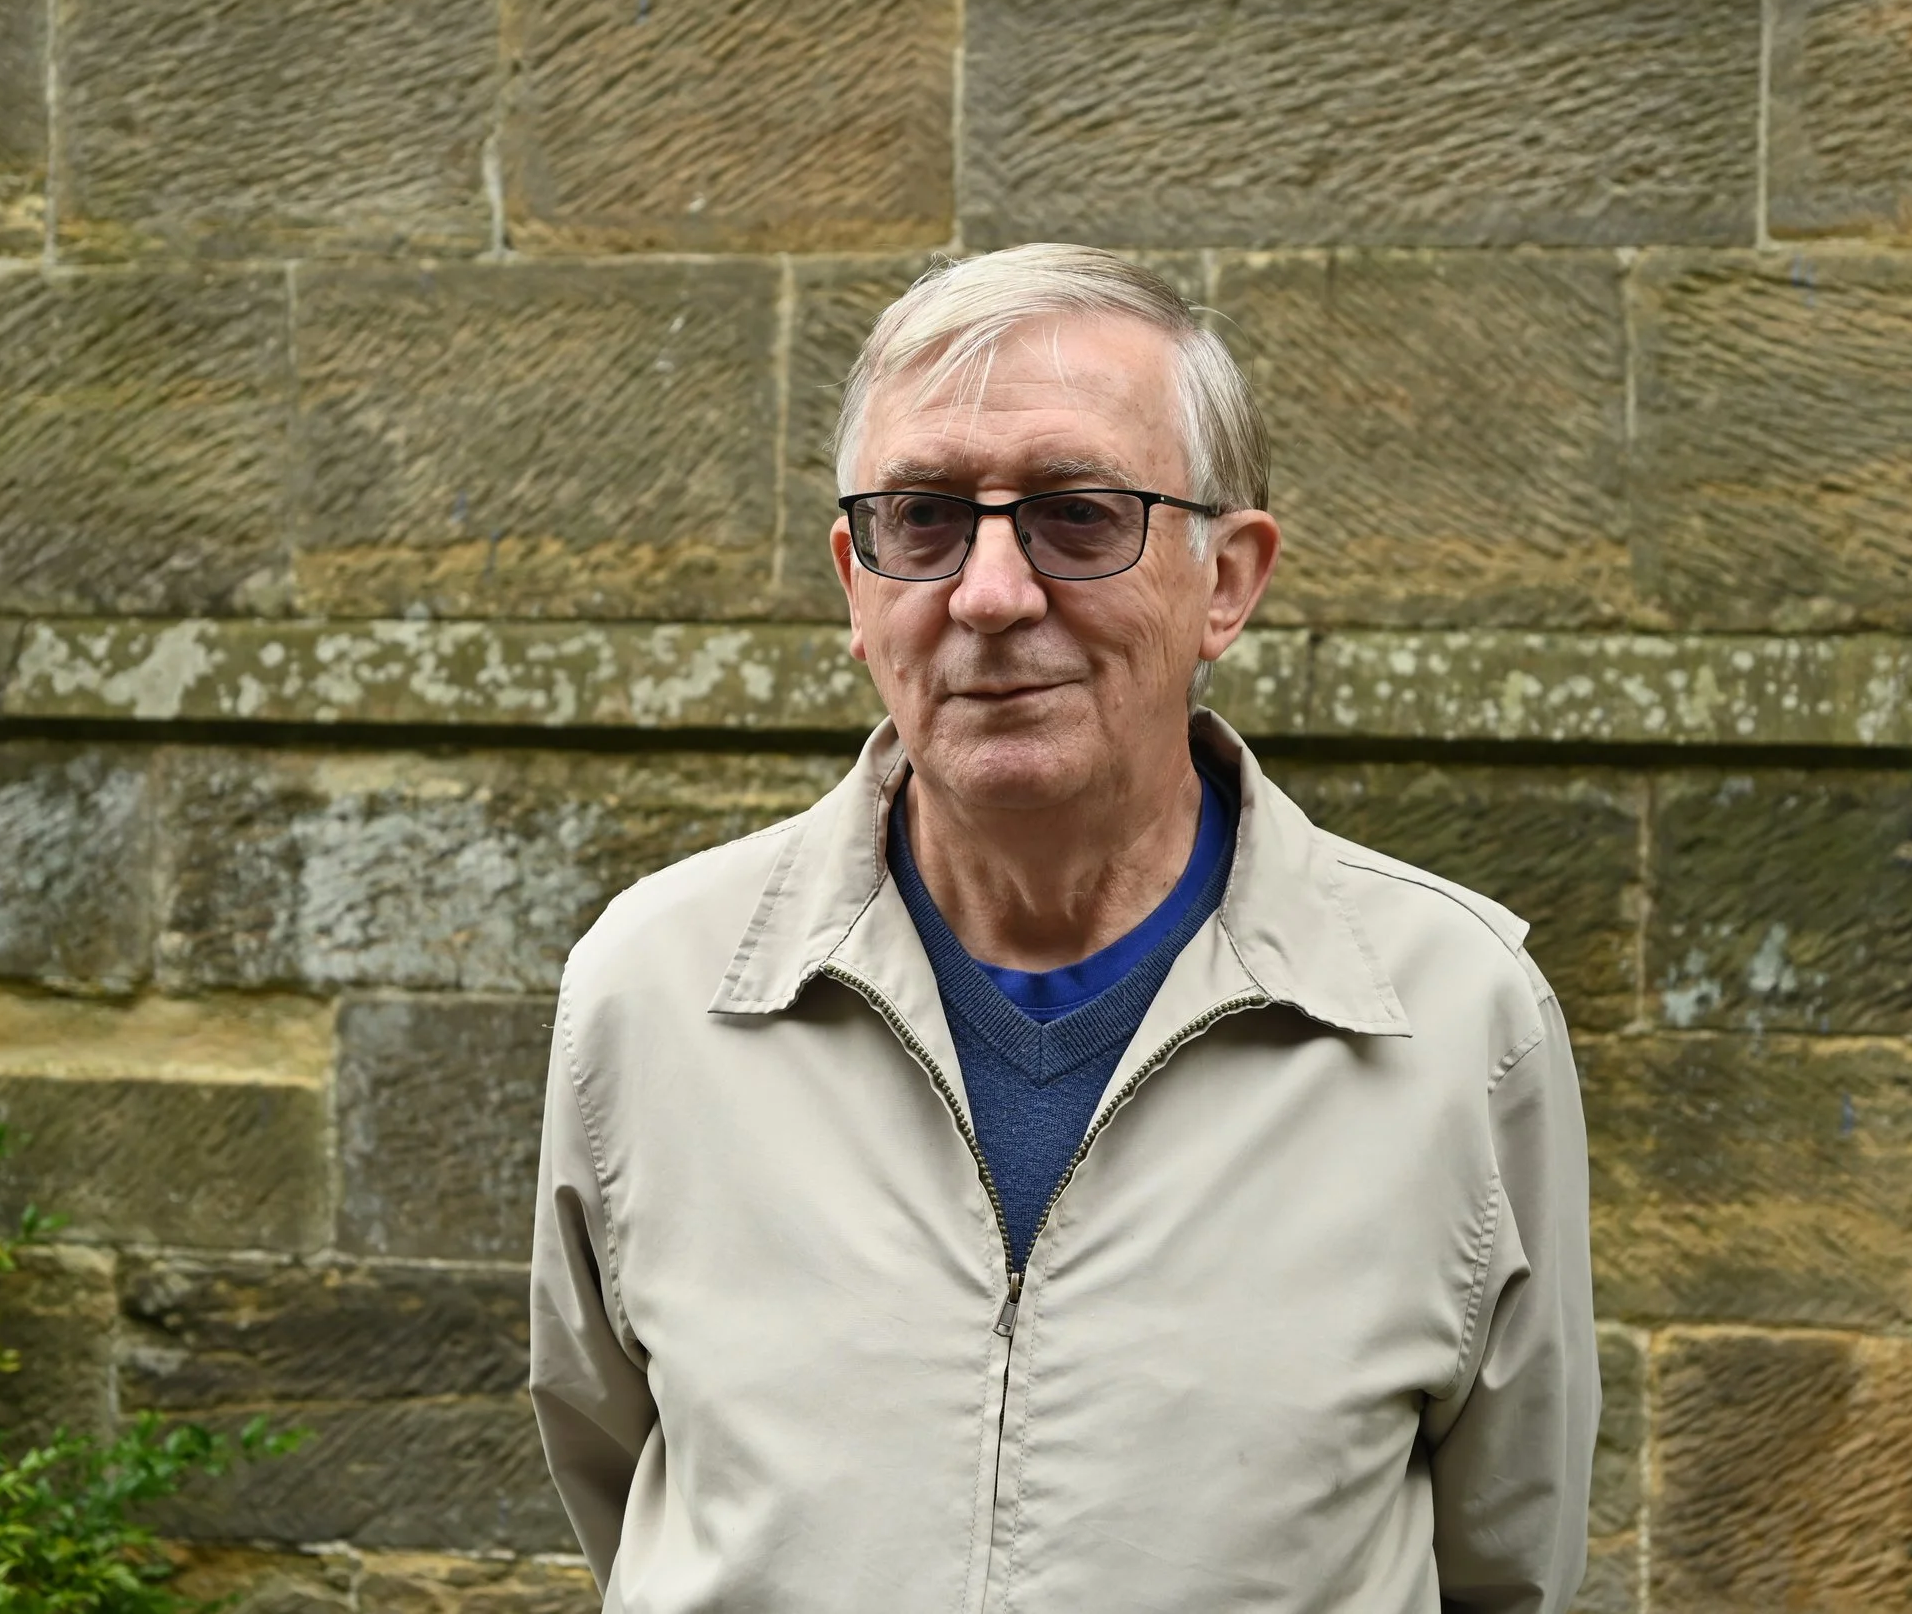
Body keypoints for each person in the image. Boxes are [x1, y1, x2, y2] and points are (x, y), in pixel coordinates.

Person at [529, 243, 1597, 1612]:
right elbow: (619, 1471)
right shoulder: (657, 990)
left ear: (1229, 579)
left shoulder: (1456, 1017)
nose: (987, 594)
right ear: (857, 584)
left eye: (1078, 515)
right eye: (923, 519)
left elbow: (1507, 1561)